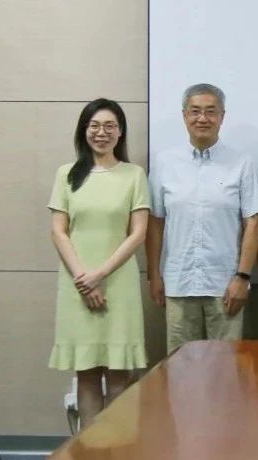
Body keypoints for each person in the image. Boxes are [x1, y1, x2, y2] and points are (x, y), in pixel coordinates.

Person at [47, 98, 150, 429]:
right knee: (87, 372)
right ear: (83, 130)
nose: (101, 133)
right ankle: (90, 447)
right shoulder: (66, 174)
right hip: (76, 283)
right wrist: (84, 279)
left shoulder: (134, 175)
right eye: (94, 126)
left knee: (119, 371)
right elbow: (59, 232)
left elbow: (138, 234)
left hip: (118, 283)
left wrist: (100, 275)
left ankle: (117, 447)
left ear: (120, 133)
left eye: (109, 126)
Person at [147, 83, 258, 353]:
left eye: (211, 111)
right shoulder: (165, 163)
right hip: (178, 282)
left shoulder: (241, 163)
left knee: (226, 367)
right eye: (195, 111)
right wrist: (154, 275)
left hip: (225, 285)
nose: (202, 118)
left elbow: (253, 223)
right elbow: (155, 222)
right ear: (184, 115)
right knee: (180, 367)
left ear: (222, 116)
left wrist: (243, 277)